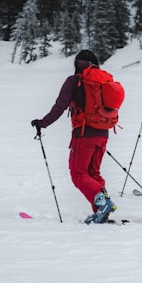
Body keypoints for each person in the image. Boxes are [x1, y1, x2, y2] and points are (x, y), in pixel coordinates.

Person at [32, 49, 117, 223]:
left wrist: (42, 123)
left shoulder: (75, 81)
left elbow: (60, 106)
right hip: (104, 133)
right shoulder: (102, 81)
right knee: (93, 173)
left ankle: (102, 203)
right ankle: (102, 210)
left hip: (84, 135)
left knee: (78, 174)